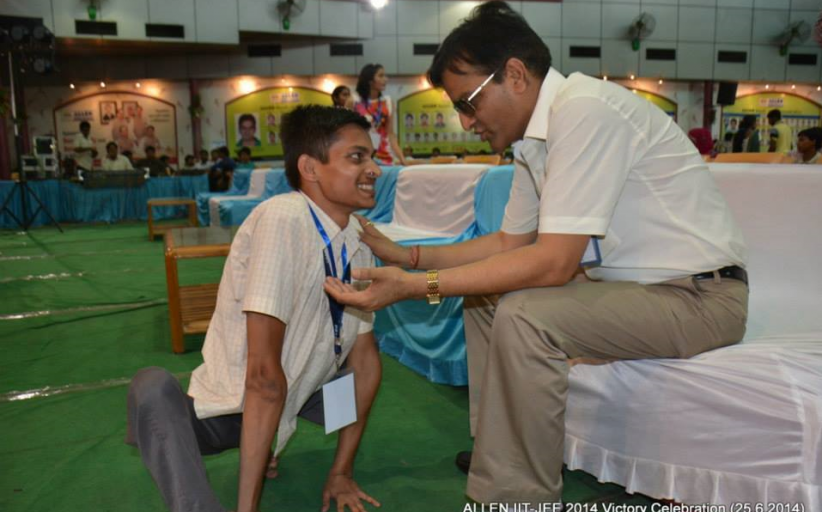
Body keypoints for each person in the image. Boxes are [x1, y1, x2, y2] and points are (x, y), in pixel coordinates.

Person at [323, 1, 749, 506]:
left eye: (469, 103)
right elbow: (508, 244)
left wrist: (417, 287)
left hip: (699, 299)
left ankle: (519, 496)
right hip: (640, 293)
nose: (465, 122)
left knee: (524, 313)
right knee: (486, 299)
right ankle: (498, 451)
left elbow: (553, 263)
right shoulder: (534, 142)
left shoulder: (585, 110)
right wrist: (408, 256)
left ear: (516, 75)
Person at [126, 105, 383, 512]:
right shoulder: (283, 218)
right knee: (151, 389)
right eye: (357, 157)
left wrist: (341, 472)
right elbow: (263, 378)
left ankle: (270, 443)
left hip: (299, 394)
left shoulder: (358, 237)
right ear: (310, 168)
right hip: (234, 409)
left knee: (361, 375)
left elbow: (364, 363)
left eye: (372, 157)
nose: (375, 169)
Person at [354, 63, 406, 165]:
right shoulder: (354, 101)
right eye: (381, 76)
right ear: (370, 80)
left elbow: (390, 134)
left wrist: (402, 159)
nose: (385, 79)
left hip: (385, 156)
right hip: (362, 156)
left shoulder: (387, 102)